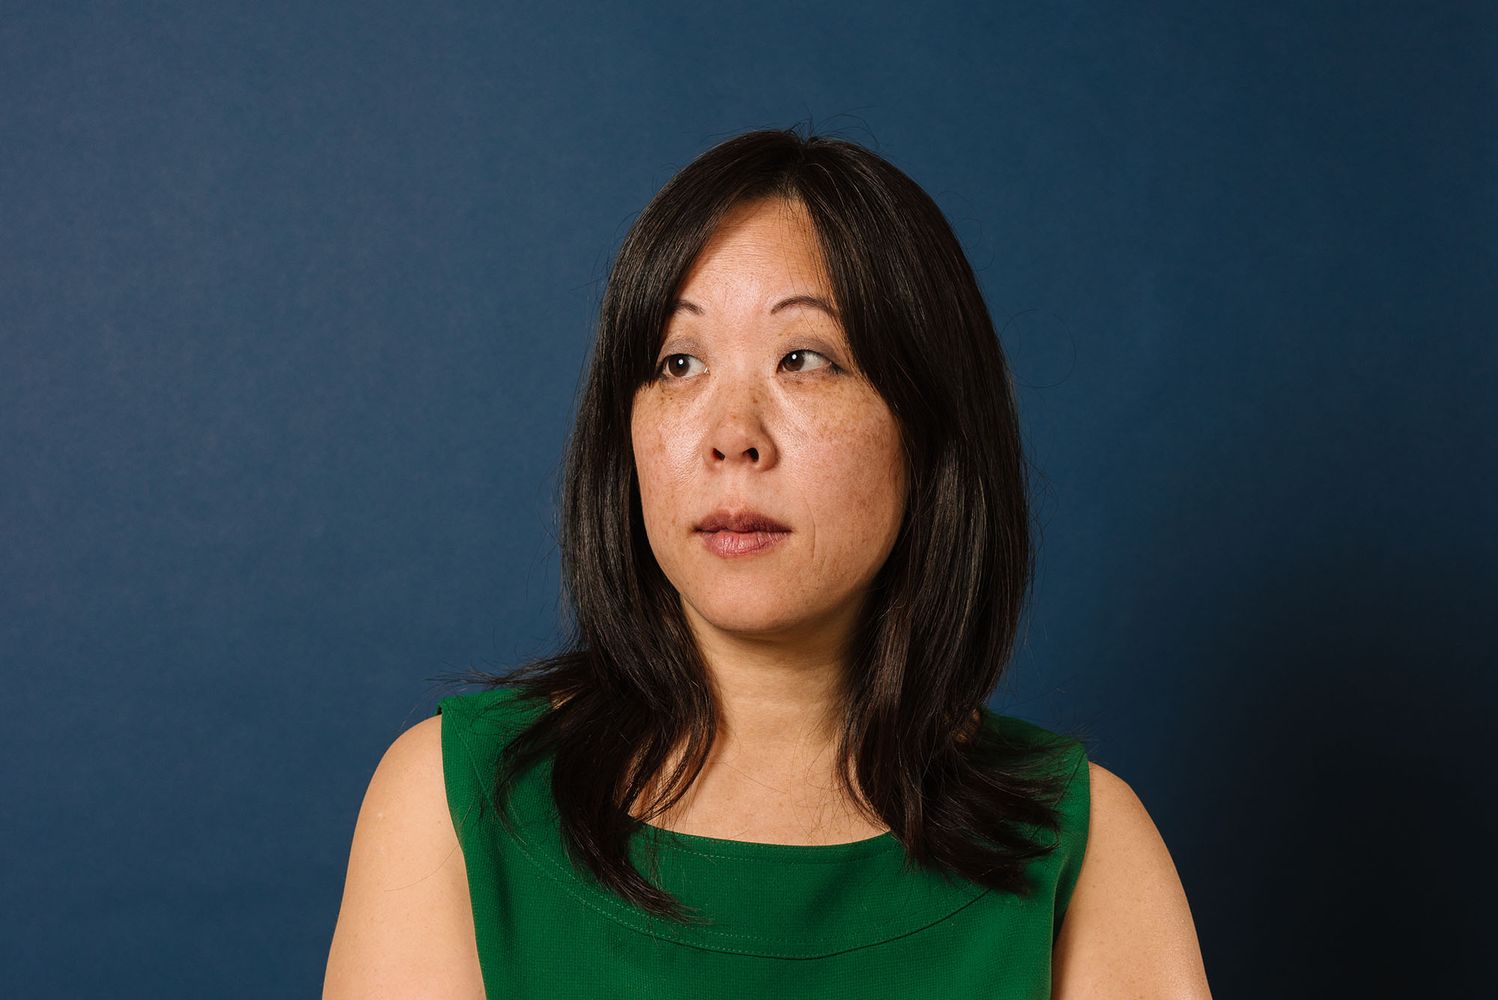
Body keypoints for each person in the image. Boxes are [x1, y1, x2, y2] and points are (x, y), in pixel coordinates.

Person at [324, 127, 1212, 998]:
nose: (732, 438)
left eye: (805, 359)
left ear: (931, 428)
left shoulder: (1082, 846)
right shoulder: (453, 803)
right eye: (677, 363)